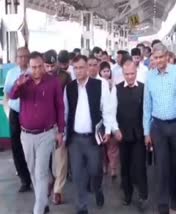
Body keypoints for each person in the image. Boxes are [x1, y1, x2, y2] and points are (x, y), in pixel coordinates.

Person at [10, 51, 65, 214]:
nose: (37, 70)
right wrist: (19, 84)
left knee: (40, 171)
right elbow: (12, 96)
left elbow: (60, 107)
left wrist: (61, 130)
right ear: (28, 67)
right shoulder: (23, 82)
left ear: (44, 65)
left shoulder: (53, 82)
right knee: (33, 170)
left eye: (40, 66)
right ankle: (43, 202)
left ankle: (38, 209)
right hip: (26, 135)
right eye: (33, 67)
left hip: (46, 134)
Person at [143, 43, 176, 214]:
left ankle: (173, 195)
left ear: (166, 56)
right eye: (155, 58)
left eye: (160, 57)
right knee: (161, 165)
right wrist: (146, 131)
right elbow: (147, 106)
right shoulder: (150, 77)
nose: (158, 61)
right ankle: (163, 201)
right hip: (158, 126)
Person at [65, 55, 113, 214]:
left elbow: (107, 109)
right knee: (78, 174)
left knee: (95, 170)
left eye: (81, 67)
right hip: (75, 139)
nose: (78, 71)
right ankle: (82, 206)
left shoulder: (100, 85)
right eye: (75, 68)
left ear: (88, 68)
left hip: (93, 138)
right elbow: (66, 112)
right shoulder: (70, 87)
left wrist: (107, 131)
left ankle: (98, 188)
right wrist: (64, 135)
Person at [116, 57, 148, 211]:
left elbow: (147, 112)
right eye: (127, 74)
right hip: (122, 135)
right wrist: (115, 130)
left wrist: (147, 133)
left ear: (136, 72)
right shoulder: (116, 89)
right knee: (125, 167)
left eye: (132, 73)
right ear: (123, 74)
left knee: (140, 166)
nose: (129, 77)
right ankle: (127, 195)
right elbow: (112, 112)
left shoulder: (143, 88)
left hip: (138, 135)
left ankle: (143, 195)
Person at [43, 50, 72, 205]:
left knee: (61, 158)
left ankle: (57, 190)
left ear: (57, 64)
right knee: (45, 156)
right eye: (47, 65)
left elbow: (69, 101)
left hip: (60, 122)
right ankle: (49, 180)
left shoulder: (65, 77)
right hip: (43, 124)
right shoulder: (38, 76)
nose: (49, 69)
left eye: (52, 65)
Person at [3, 47, 32, 193]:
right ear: (16, 59)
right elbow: (7, 92)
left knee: (32, 144)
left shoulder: (34, 71)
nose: (22, 59)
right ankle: (24, 179)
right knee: (16, 144)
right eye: (20, 57)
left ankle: (36, 175)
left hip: (32, 112)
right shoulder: (11, 73)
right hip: (16, 112)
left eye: (25, 56)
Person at [99, 61, 121, 179]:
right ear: (100, 72)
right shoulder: (98, 84)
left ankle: (113, 168)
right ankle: (105, 165)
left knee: (113, 146)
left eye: (108, 71)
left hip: (113, 117)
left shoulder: (114, 84)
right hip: (102, 119)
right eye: (104, 71)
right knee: (103, 146)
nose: (106, 73)